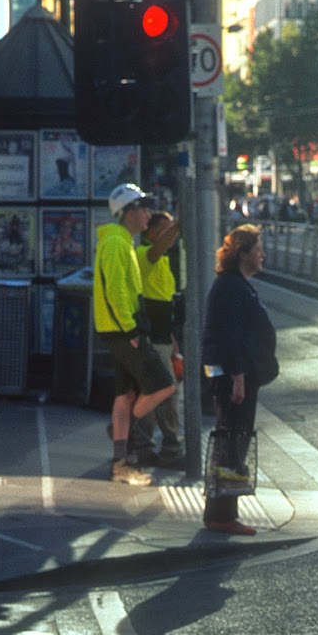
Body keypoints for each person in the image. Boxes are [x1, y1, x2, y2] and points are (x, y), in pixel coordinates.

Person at [94, 183, 177, 487]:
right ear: (129, 213)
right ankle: (125, 434)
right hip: (123, 330)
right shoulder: (117, 244)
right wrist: (130, 329)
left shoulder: (120, 241)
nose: (149, 214)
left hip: (117, 329)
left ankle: (121, 463)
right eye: (143, 208)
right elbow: (115, 289)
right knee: (164, 385)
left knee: (125, 395)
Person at [200, 224, 277, 535]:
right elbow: (230, 337)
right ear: (243, 254)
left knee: (231, 440)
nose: (263, 255)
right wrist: (238, 378)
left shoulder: (234, 284)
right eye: (258, 249)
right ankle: (222, 515)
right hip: (233, 376)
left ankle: (221, 511)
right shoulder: (231, 287)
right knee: (232, 442)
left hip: (235, 373)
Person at [130, 210, 185, 468]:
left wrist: (173, 338)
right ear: (151, 233)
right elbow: (156, 250)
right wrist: (177, 225)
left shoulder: (163, 261)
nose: (170, 237)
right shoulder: (144, 254)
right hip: (151, 336)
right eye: (164, 230)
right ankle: (167, 445)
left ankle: (145, 443)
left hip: (162, 335)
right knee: (165, 391)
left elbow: (165, 303)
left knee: (155, 390)